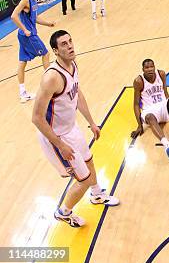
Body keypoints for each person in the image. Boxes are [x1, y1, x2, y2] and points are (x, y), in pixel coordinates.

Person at [32, 30, 120, 227]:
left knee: (89, 161)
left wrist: (91, 122)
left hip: (71, 128)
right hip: (55, 136)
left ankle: (97, 195)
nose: (70, 46)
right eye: (63, 44)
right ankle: (63, 212)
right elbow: (36, 118)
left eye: (70, 41)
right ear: (55, 51)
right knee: (83, 179)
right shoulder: (51, 78)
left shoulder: (73, 65)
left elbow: (77, 94)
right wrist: (60, 144)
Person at [130, 59, 169, 162]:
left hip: (163, 107)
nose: (150, 69)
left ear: (154, 67)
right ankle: (168, 146)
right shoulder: (139, 81)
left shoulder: (161, 74)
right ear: (142, 69)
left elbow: (165, 91)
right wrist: (139, 125)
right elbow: (136, 104)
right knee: (149, 117)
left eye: (151, 66)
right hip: (150, 110)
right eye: (147, 67)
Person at [10, 0, 55, 103]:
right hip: (28, 36)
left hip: (25, 35)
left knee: (22, 63)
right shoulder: (26, 0)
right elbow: (13, 16)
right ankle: (50, 85)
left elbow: (35, 18)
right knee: (46, 54)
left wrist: (47, 24)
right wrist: (25, 29)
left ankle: (23, 93)